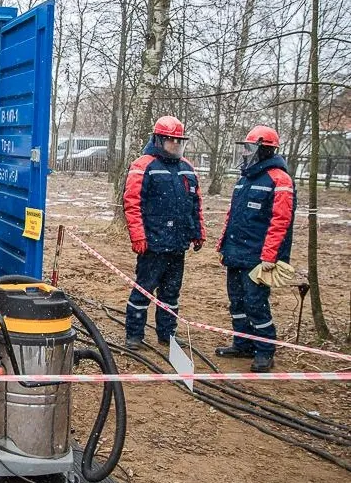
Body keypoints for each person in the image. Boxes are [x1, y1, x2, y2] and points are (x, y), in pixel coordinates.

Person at [216, 125, 296, 372]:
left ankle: (265, 350)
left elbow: (281, 222)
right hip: (236, 252)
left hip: (258, 257)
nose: (245, 153)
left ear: (264, 150)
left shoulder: (280, 180)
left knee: (255, 304)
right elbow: (234, 215)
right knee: (237, 302)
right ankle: (242, 343)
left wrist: (270, 255)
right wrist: (224, 244)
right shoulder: (244, 179)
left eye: (250, 148)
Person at [123, 116, 205, 349]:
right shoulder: (143, 165)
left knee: (171, 293)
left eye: (179, 142)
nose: (175, 146)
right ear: (159, 139)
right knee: (143, 290)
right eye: (171, 141)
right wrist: (138, 236)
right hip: (153, 243)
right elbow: (132, 203)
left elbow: (195, 202)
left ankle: (167, 333)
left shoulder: (187, 168)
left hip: (178, 244)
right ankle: (134, 334)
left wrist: (198, 232)